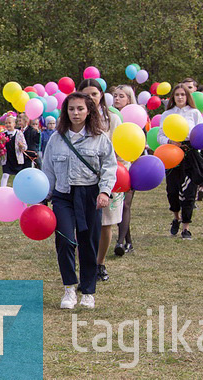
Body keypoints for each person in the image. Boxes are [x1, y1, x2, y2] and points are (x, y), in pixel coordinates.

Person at [40, 92, 116, 310]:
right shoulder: (56, 138)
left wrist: (105, 192)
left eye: (80, 108)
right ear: (65, 111)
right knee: (64, 241)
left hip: (91, 196)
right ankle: (69, 288)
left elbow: (109, 168)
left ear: (89, 111)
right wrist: (44, 197)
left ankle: (89, 291)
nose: (76, 113)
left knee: (88, 243)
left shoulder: (100, 137)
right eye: (71, 109)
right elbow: (48, 170)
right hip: (63, 196)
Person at [78, 78, 122, 282]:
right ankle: (86, 262)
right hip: (82, 180)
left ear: (101, 96)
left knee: (106, 223)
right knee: (84, 225)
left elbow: (120, 149)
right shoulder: (76, 120)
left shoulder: (112, 119)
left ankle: (99, 263)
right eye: (86, 95)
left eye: (94, 94)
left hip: (110, 178)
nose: (91, 99)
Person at [157, 84, 203, 240]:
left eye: (183, 94)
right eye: (177, 94)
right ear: (173, 97)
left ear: (187, 97)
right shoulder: (167, 114)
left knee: (188, 192)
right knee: (172, 190)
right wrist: (169, 141)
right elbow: (160, 135)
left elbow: (200, 133)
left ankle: (186, 227)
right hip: (171, 154)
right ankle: (176, 217)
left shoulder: (194, 113)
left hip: (189, 154)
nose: (180, 97)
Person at [110, 85, 138, 257]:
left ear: (129, 99)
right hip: (113, 165)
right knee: (118, 204)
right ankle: (128, 241)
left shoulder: (135, 117)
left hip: (130, 165)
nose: (117, 99)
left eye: (121, 96)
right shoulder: (110, 117)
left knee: (125, 203)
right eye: (115, 96)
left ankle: (120, 242)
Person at [0, 112, 28, 187]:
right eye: (6, 123)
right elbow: (0, 146)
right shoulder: (3, 134)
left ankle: (20, 187)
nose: (8, 125)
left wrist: (22, 146)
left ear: (14, 124)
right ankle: (2, 189)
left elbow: (25, 146)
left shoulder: (19, 133)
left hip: (16, 158)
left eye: (9, 123)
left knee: (19, 175)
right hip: (7, 158)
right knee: (5, 174)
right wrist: (1, 143)